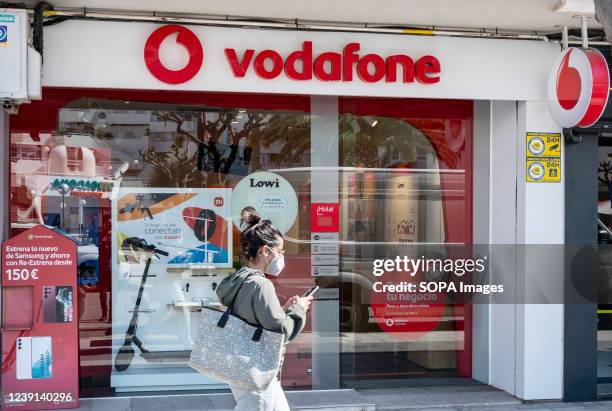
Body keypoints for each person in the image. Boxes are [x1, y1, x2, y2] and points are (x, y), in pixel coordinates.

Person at [215, 208, 313, 411]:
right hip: (255, 371)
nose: (282, 257)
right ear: (265, 251)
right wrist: (299, 309)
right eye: (280, 251)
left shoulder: (242, 278)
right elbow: (281, 331)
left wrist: (284, 309)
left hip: (242, 366)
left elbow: (257, 319)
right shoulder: (260, 284)